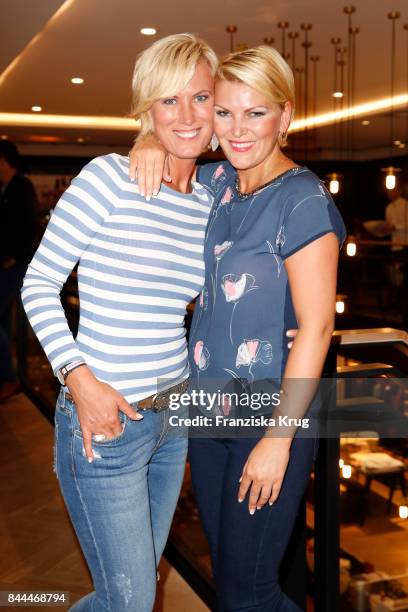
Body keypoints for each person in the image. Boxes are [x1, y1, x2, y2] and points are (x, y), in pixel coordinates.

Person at [130, 44, 346, 611]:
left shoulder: (303, 199)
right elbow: (174, 142)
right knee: (231, 581)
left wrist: (278, 441)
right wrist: (147, 141)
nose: (237, 128)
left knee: (248, 593)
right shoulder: (220, 183)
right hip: (209, 409)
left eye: (256, 112)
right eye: (224, 112)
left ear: (286, 116)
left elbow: (319, 329)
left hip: (271, 415)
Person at [21, 34, 218, 611]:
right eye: (168, 101)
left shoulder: (207, 203)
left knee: (128, 591)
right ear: (146, 111)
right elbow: (38, 284)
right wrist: (79, 382)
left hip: (171, 421)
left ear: (217, 106)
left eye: (200, 98)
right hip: (104, 423)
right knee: (130, 601)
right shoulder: (109, 178)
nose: (185, 116)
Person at [0, 140, 37, 402]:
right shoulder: (5, 188)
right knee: (4, 321)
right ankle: (7, 375)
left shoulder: (21, 187)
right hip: (7, 265)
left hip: (16, 266)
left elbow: (27, 228)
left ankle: (12, 378)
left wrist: (12, 257)